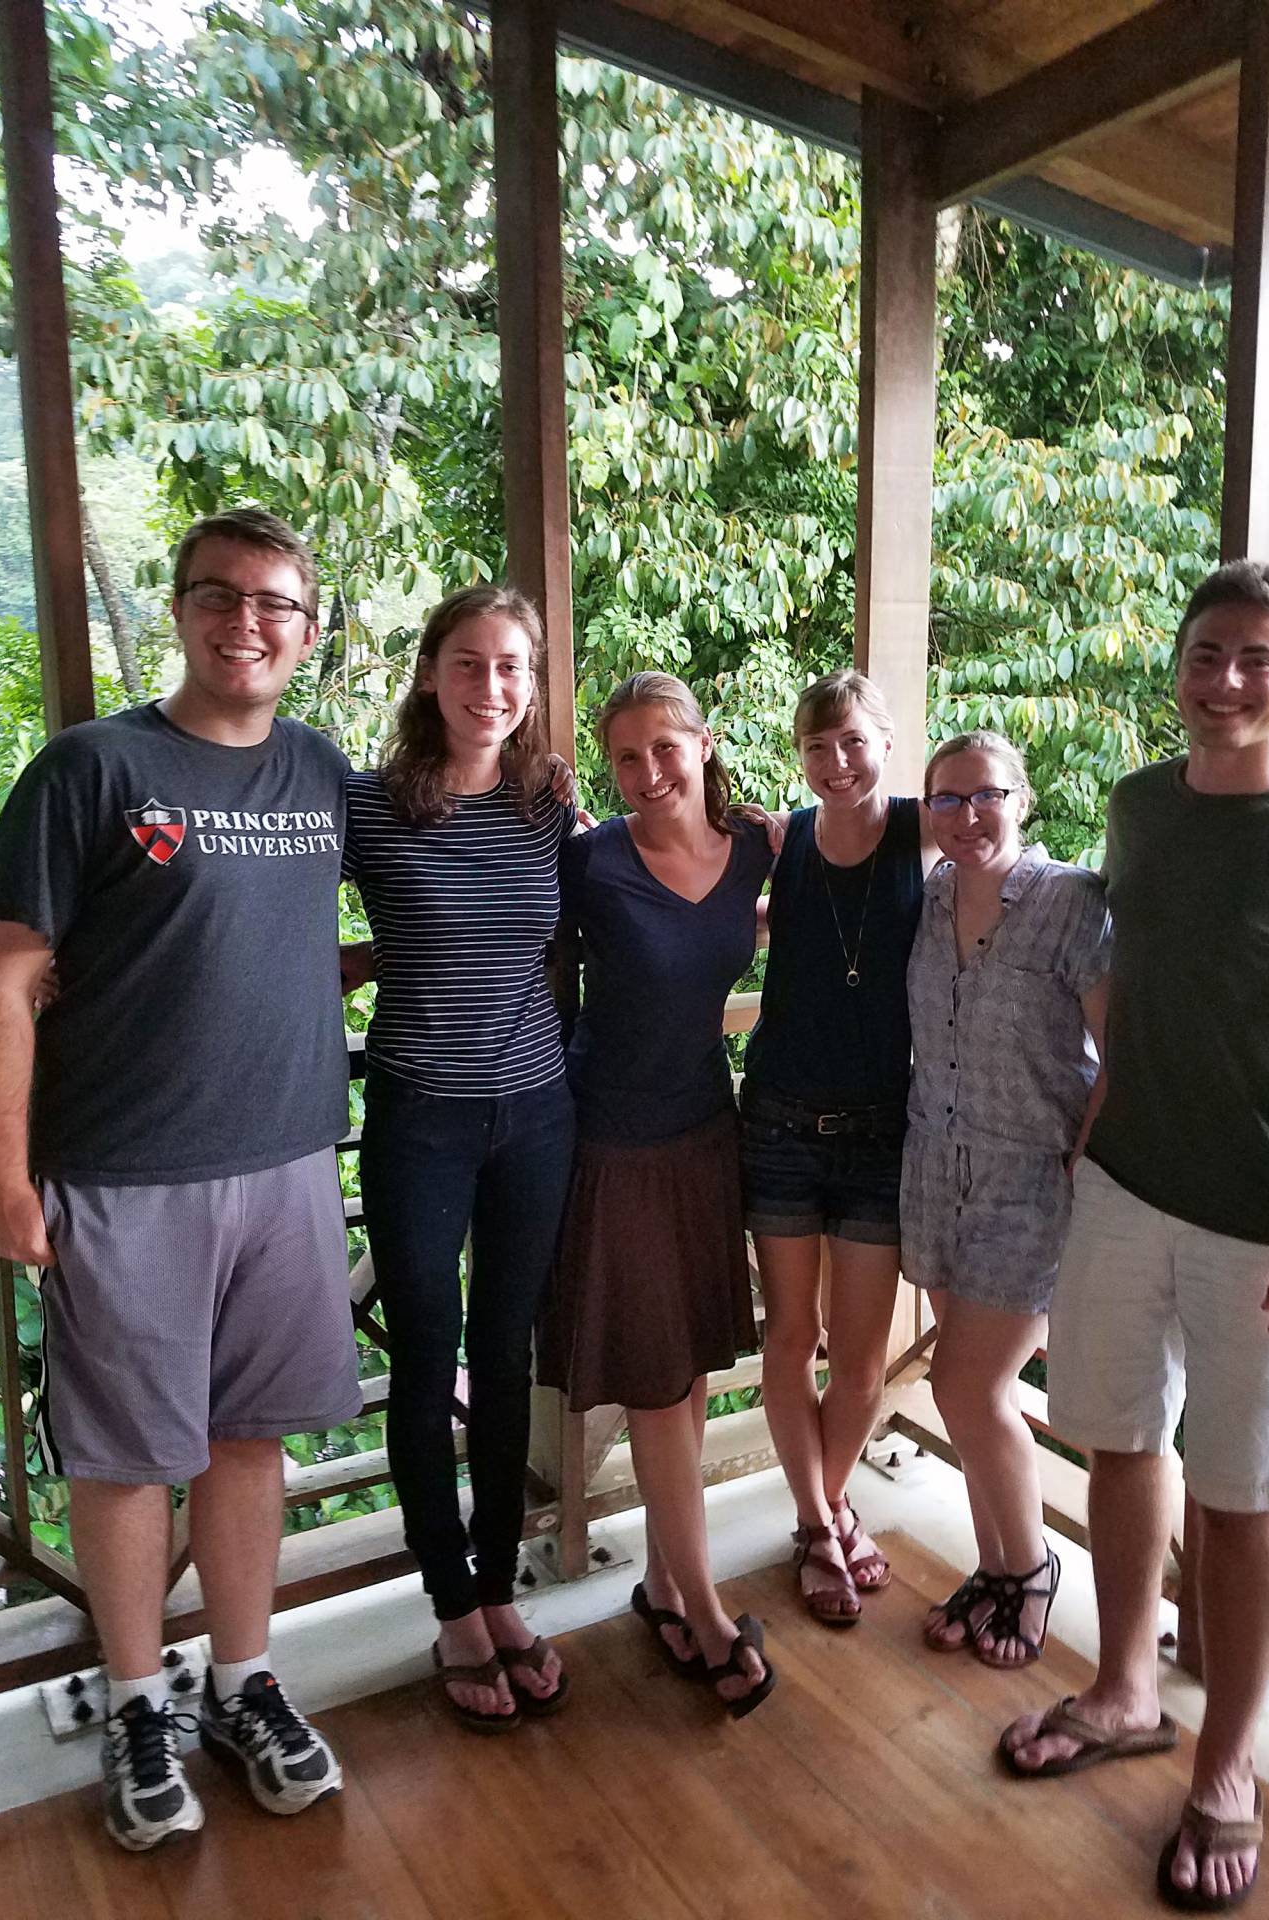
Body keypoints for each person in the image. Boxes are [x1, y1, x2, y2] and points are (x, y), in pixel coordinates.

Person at [998, 562, 1269, 1914]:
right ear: (1176, 668)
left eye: (1255, 658)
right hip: (1124, 1187)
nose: (1225, 679)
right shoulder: (1136, 807)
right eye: (1204, 653)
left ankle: (1230, 1766)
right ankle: (1124, 1688)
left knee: (1244, 1500)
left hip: (1268, 1229)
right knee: (1122, 1448)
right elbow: (1136, 977)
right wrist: (1100, 1118)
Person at [0, 509, 358, 1850]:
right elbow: (8, 976)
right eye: (221, 595)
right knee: (133, 1456)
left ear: (308, 634)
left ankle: (244, 1682)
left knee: (250, 1436)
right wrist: (3, 1177)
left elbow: (442, 850)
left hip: (294, 1163)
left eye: (275, 603)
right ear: (184, 607)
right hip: (127, 1173)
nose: (246, 622)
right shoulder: (91, 768)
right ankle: (141, 1701)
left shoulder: (321, 772)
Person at [343, 585, 576, 1733]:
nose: (494, 689)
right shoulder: (370, 805)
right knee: (427, 1351)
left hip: (538, 1111)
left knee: (506, 1345)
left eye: (514, 669)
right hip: (420, 1118)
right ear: (432, 672)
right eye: (472, 665)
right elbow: (260, 904)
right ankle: (448, 1598)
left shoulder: (545, 804)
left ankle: (497, 1580)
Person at [538, 671, 777, 1715]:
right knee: (653, 1377)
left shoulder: (762, 850)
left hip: (703, 1137)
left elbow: (867, 861)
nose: (646, 773)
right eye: (625, 757)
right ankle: (708, 1611)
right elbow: (507, 934)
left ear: (705, 744)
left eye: (664, 750)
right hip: (611, 1144)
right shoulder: (589, 860)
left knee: (685, 1380)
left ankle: (669, 1587)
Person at [905, 730, 1109, 1666]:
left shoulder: (1072, 903)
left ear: (1023, 800)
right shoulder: (931, 894)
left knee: (969, 1384)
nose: (966, 815)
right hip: (936, 1167)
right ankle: (992, 1566)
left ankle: (1030, 1569)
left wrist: (1084, 1161)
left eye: (986, 795)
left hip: (1030, 1181)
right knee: (967, 1387)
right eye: (946, 800)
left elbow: (1123, 1050)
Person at [740, 669, 937, 1623]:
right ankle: (825, 1525)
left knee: (861, 1357)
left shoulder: (919, 826)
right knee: (791, 1337)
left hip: (882, 1130)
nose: (836, 762)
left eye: (853, 741)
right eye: (817, 747)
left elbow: (1004, 847)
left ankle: (822, 1512)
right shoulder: (785, 841)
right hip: (778, 1118)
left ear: (886, 742)